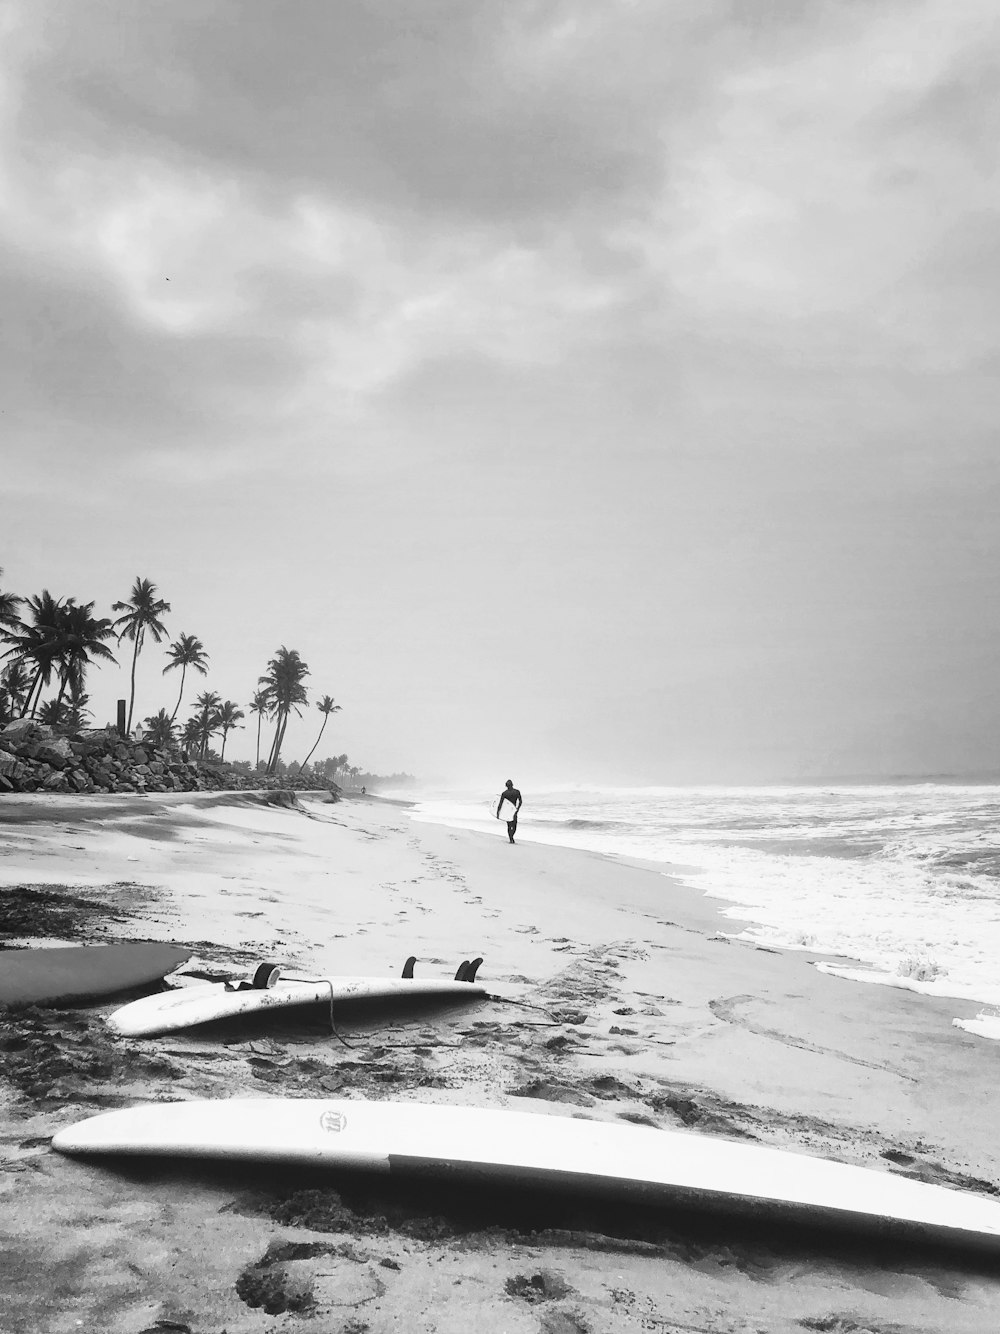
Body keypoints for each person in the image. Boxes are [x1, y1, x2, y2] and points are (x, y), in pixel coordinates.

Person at [496, 779, 522, 844]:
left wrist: (498, 812)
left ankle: (511, 838)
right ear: (512, 784)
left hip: (508, 812)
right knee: (514, 825)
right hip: (514, 811)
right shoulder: (517, 792)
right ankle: (511, 837)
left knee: (509, 826)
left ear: (506, 786)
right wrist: (517, 809)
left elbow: (501, 804)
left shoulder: (504, 793)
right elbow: (520, 801)